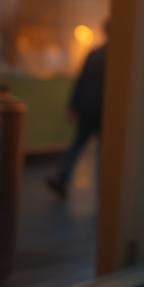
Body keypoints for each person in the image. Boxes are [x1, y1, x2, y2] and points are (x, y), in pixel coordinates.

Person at [46, 23, 108, 199]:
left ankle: (62, 177)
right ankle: (104, 190)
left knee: (78, 143)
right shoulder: (118, 56)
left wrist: (72, 106)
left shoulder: (94, 54)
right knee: (104, 151)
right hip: (104, 109)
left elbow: (81, 81)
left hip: (87, 107)